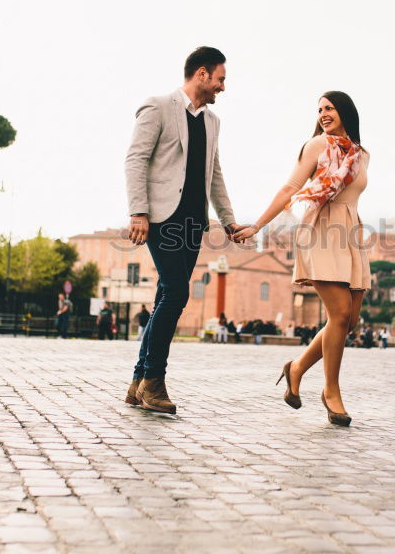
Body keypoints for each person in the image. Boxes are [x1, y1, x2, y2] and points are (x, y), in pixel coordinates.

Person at [234, 91, 370, 427]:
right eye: (320, 110)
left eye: (330, 108)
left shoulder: (362, 155)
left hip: (350, 233)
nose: (324, 114)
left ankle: (295, 368)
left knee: (348, 321)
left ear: (345, 112)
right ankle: (331, 391)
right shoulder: (315, 147)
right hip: (319, 229)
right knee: (337, 313)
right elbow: (289, 189)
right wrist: (257, 225)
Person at [123, 46, 245, 415]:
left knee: (166, 295)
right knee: (176, 293)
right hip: (162, 217)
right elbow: (136, 159)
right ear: (203, 74)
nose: (223, 87)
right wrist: (138, 212)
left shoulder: (213, 122)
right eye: (221, 79)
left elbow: (215, 174)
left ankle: (136, 382)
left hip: (194, 220)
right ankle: (153, 382)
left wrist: (228, 219)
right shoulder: (158, 106)